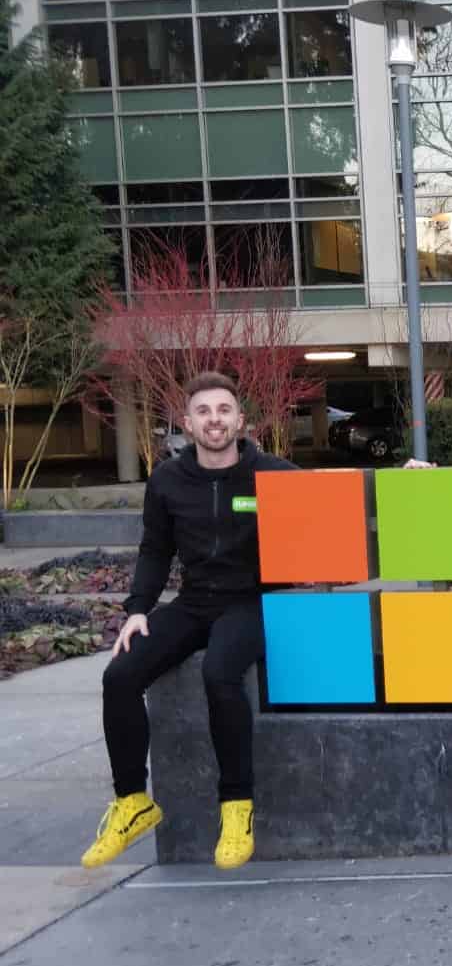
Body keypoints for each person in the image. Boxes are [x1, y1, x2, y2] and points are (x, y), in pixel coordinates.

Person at [82, 373, 429, 871]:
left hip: (253, 600)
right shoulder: (167, 480)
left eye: (224, 410)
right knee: (119, 675)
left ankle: (236, 806)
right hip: (195, 602)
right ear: (187, 423)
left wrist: (401, 476)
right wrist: (138, 609)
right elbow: (155, 550)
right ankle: (133, 802)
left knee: (219, 672)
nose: (215, 420)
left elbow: (339, 498)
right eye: (204, 411)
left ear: (240, 420)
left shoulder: (272, 473)